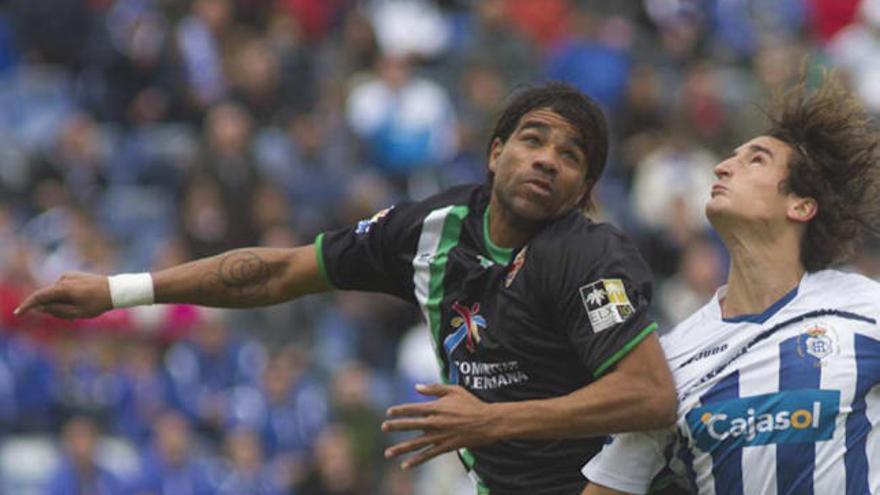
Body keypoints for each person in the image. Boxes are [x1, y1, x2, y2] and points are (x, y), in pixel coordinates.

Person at [16, 82, 676, 494]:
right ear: (495, 151)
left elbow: (649, 395)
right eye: (534, 140)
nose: (547, 160)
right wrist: (120, 289)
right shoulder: (430, 229)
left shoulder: (590, 255)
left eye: (571, 157)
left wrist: (491, 417)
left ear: (584, 191)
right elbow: (279, 271)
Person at [581, 71, 880, 495]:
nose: (722, 166)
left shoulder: (865, 309)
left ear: (801, 205)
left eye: (755, 159)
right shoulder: (669, 359)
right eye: (731, 156)